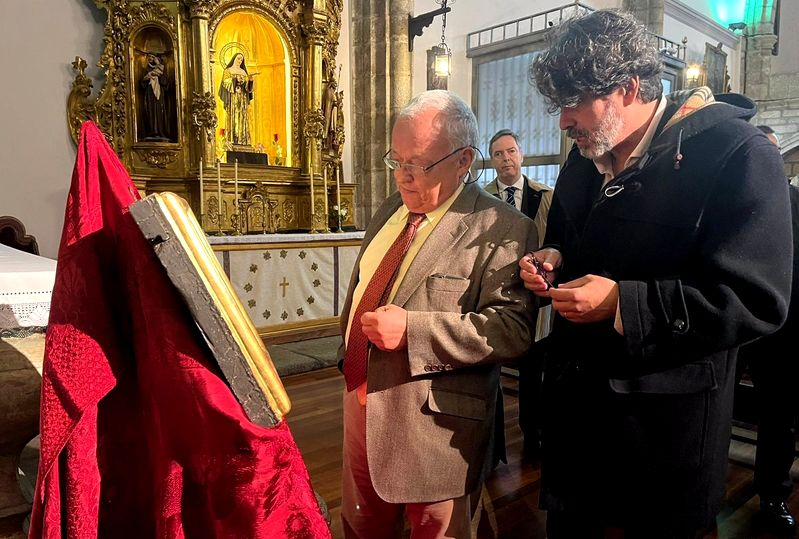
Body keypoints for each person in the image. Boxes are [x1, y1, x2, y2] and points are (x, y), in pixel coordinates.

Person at [519, 9, 793, 538]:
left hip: (663, 437)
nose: (563, 120)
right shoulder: (582, 159)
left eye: (575, 102)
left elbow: (758, 298)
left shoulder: (738, 154)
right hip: (578, 424)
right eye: (558, 104)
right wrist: (553, 258)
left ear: (629, 87)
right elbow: (575, 242)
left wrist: (624, 304)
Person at [338, 89, 538, 538]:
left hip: (434, 427)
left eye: (419, 164)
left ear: (464, 159)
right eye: (396, 160)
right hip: (360, 401)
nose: (403, 178)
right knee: (360, 526)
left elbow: (511, 329)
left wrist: (413, 330)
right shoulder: (393, 207)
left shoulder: (502, 226)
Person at [733, 125, 798, 535]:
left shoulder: (796, 202)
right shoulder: (729, 197)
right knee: (713, 409)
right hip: (729, 323)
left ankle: (773, 495)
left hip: (781, 331)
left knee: (778, 418)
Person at [484, 128, 553, 459]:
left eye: (510, 151)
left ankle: (533, 433)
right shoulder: (481, 199)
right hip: (495, 292)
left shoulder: (545, 196)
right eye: (498, 154)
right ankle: (492, 441)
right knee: (491, 364)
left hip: (535, 293)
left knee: (533, 366)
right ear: (491, 160)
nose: (505, 158)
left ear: (521, 154)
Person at [218, 52, 254, 146]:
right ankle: (232, 140)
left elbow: (248, 89)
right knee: (233, 118)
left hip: (242, 99)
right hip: (232, 99)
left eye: (241, 59)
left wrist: (250, 81)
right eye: (238, 58)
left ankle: (243, 140)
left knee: (242, 118)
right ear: (234, 59)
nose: (239, 61)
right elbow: (225, 83)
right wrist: (235, 80)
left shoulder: (243, 72)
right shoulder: (228, 70)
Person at [140, 53, 171, 141]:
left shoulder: (161, 69)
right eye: (149, 57)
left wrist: (159, 72)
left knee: (159, 111)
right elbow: (142, 84)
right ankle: (151, 131)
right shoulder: (146, 70)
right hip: (150, 94)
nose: (151, 59)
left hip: (159, 94)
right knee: (150, 111)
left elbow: (165, 83)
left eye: (153, 57)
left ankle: (160, 131)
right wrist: (147, 77)